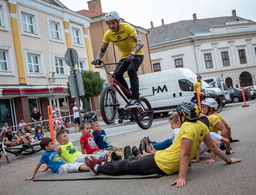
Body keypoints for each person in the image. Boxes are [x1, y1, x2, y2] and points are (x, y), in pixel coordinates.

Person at [84, 102, 241, 188]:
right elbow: (213, 146)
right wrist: (228, 160)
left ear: (184, 116)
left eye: (180, 114)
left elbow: (185, 154)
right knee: (131, 161)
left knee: (127, 166)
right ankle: (104, 163)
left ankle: (98, 168)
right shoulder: (202, 126)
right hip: (162, 157)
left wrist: (181, 177)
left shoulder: (187, 127)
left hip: (163, 163)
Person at [92, 11, 144, 108]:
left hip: (137, 55)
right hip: (124, 57)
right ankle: (129, 98)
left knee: (131, 70)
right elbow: (103, 49)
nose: (111, 26)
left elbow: (140, 42)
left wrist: (133, 53)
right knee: (116, 75)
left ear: (118, 21)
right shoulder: (108, 34)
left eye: (113, 23)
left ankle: (136, 99)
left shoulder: (127, 27)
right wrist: (98, 58)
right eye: (108, 24)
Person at [24, 137, 89, 181]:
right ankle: (93, 168)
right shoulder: (45, 155)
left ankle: (92, 165)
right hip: (60, 169)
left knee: (77, 164)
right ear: (46, 147)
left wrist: (47, 169)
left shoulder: (55, 151)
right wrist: (32, 177)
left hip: (65, 165)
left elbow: (51, 161)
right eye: (52, 144)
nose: (54, 145)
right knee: (77, 167)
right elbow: (37, 165)